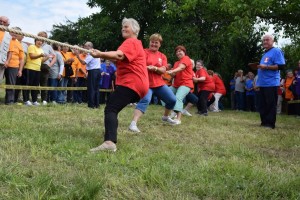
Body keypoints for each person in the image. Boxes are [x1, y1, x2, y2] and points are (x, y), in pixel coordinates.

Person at [89, 18, 149, 152]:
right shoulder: (136, 44)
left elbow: (119, 55)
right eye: (122, 26)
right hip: (139, 86)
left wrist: (100, 54)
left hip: (132, 82)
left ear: (134, 30)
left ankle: (109, 142)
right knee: (113, 107)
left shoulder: (131, 42)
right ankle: (110, 132)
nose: (123, 28)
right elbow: (117, 57)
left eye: (126, 26)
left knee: (111, 108)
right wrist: (101, 54)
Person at [128, 33, 176, 133]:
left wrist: (155, 68)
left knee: (172, 100)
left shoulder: (162, 56)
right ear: (149, 42)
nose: (154, 44)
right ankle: (133, 124)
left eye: (156, 42)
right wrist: (147, 67)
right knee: (145, 100)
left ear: (160, 44)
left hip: (159, 83)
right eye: (152, 42)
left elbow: (163, 70)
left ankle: (165, 117)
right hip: (146, 83)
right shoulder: (143, 52)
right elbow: (137, 65)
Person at [256, 34, 285, 129]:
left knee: (270, 104)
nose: (265, 42)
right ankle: (264, 122)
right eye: (263, 40)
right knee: (262, 104)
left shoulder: (276, 51)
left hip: (271, 83)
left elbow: (281, 66)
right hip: (262, 83)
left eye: (267, 40)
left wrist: (266, 67)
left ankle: (270, 123)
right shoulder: (264, 53)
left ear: (272, 41)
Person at [166, 45, 194, 124]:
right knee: (164, 94)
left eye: (180, 51)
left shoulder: (186, 58)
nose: (178, 53)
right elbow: (174, 75)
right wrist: (170, 73)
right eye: (177, 52)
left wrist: (173, 71)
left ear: (184, 52)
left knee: (178, 97)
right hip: (176, 84)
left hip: (186, 83)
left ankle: (178, 119)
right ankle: (174, 111)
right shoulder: (176, 63)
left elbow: (181, 67)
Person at [23, 39, 51, 106]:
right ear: (35, 41)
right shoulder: (32, 47)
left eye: (41, 41)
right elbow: (31, 56)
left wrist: (47, 57)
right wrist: (40, 55)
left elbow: (41, 61)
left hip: (38, 69)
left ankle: (34, 100)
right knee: (28, 85)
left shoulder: (41, 50)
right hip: (30, 68)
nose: (40, 42)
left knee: (35, 86)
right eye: (38, 40)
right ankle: (26, 100)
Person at [76, 42, 101, 108]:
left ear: (89, 46)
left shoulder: (91, 54)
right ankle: (96, 104)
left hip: (93, 72)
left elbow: (83, 63)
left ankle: (91, 105)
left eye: (85, 46)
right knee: (96, 89)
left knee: (91, 88)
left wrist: (78, 56)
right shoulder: (96, 51)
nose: (84, 47)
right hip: (97, 71)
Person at [4, 27, 24, 105]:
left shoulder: (19, 44)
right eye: (13, 32)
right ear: (10, 32)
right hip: (2, 63)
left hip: (14, 66)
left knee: (11, 84)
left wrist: (20, 70)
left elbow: (21, 59)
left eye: (17, 33)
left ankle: (10, 101)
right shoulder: (5, 39)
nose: (15, 34)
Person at [37, 31, 56, 105]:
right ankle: (35, 99)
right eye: (40, 36)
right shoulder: (35, 45)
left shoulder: (48, 46)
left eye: (44, 36)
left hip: (45, 66)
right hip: (36, 65)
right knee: (35, 82)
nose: (42, 38)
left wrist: (50, 65)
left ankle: (44, 100)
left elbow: (54, 56)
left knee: (44, 83)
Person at [0, 16, 11, 84]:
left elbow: (10, 51)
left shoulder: (9, 36)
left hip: (1, 61)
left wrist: (7, 61)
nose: (1, 23)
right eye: (0, 21)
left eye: (4, 22)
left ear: (7, 24)